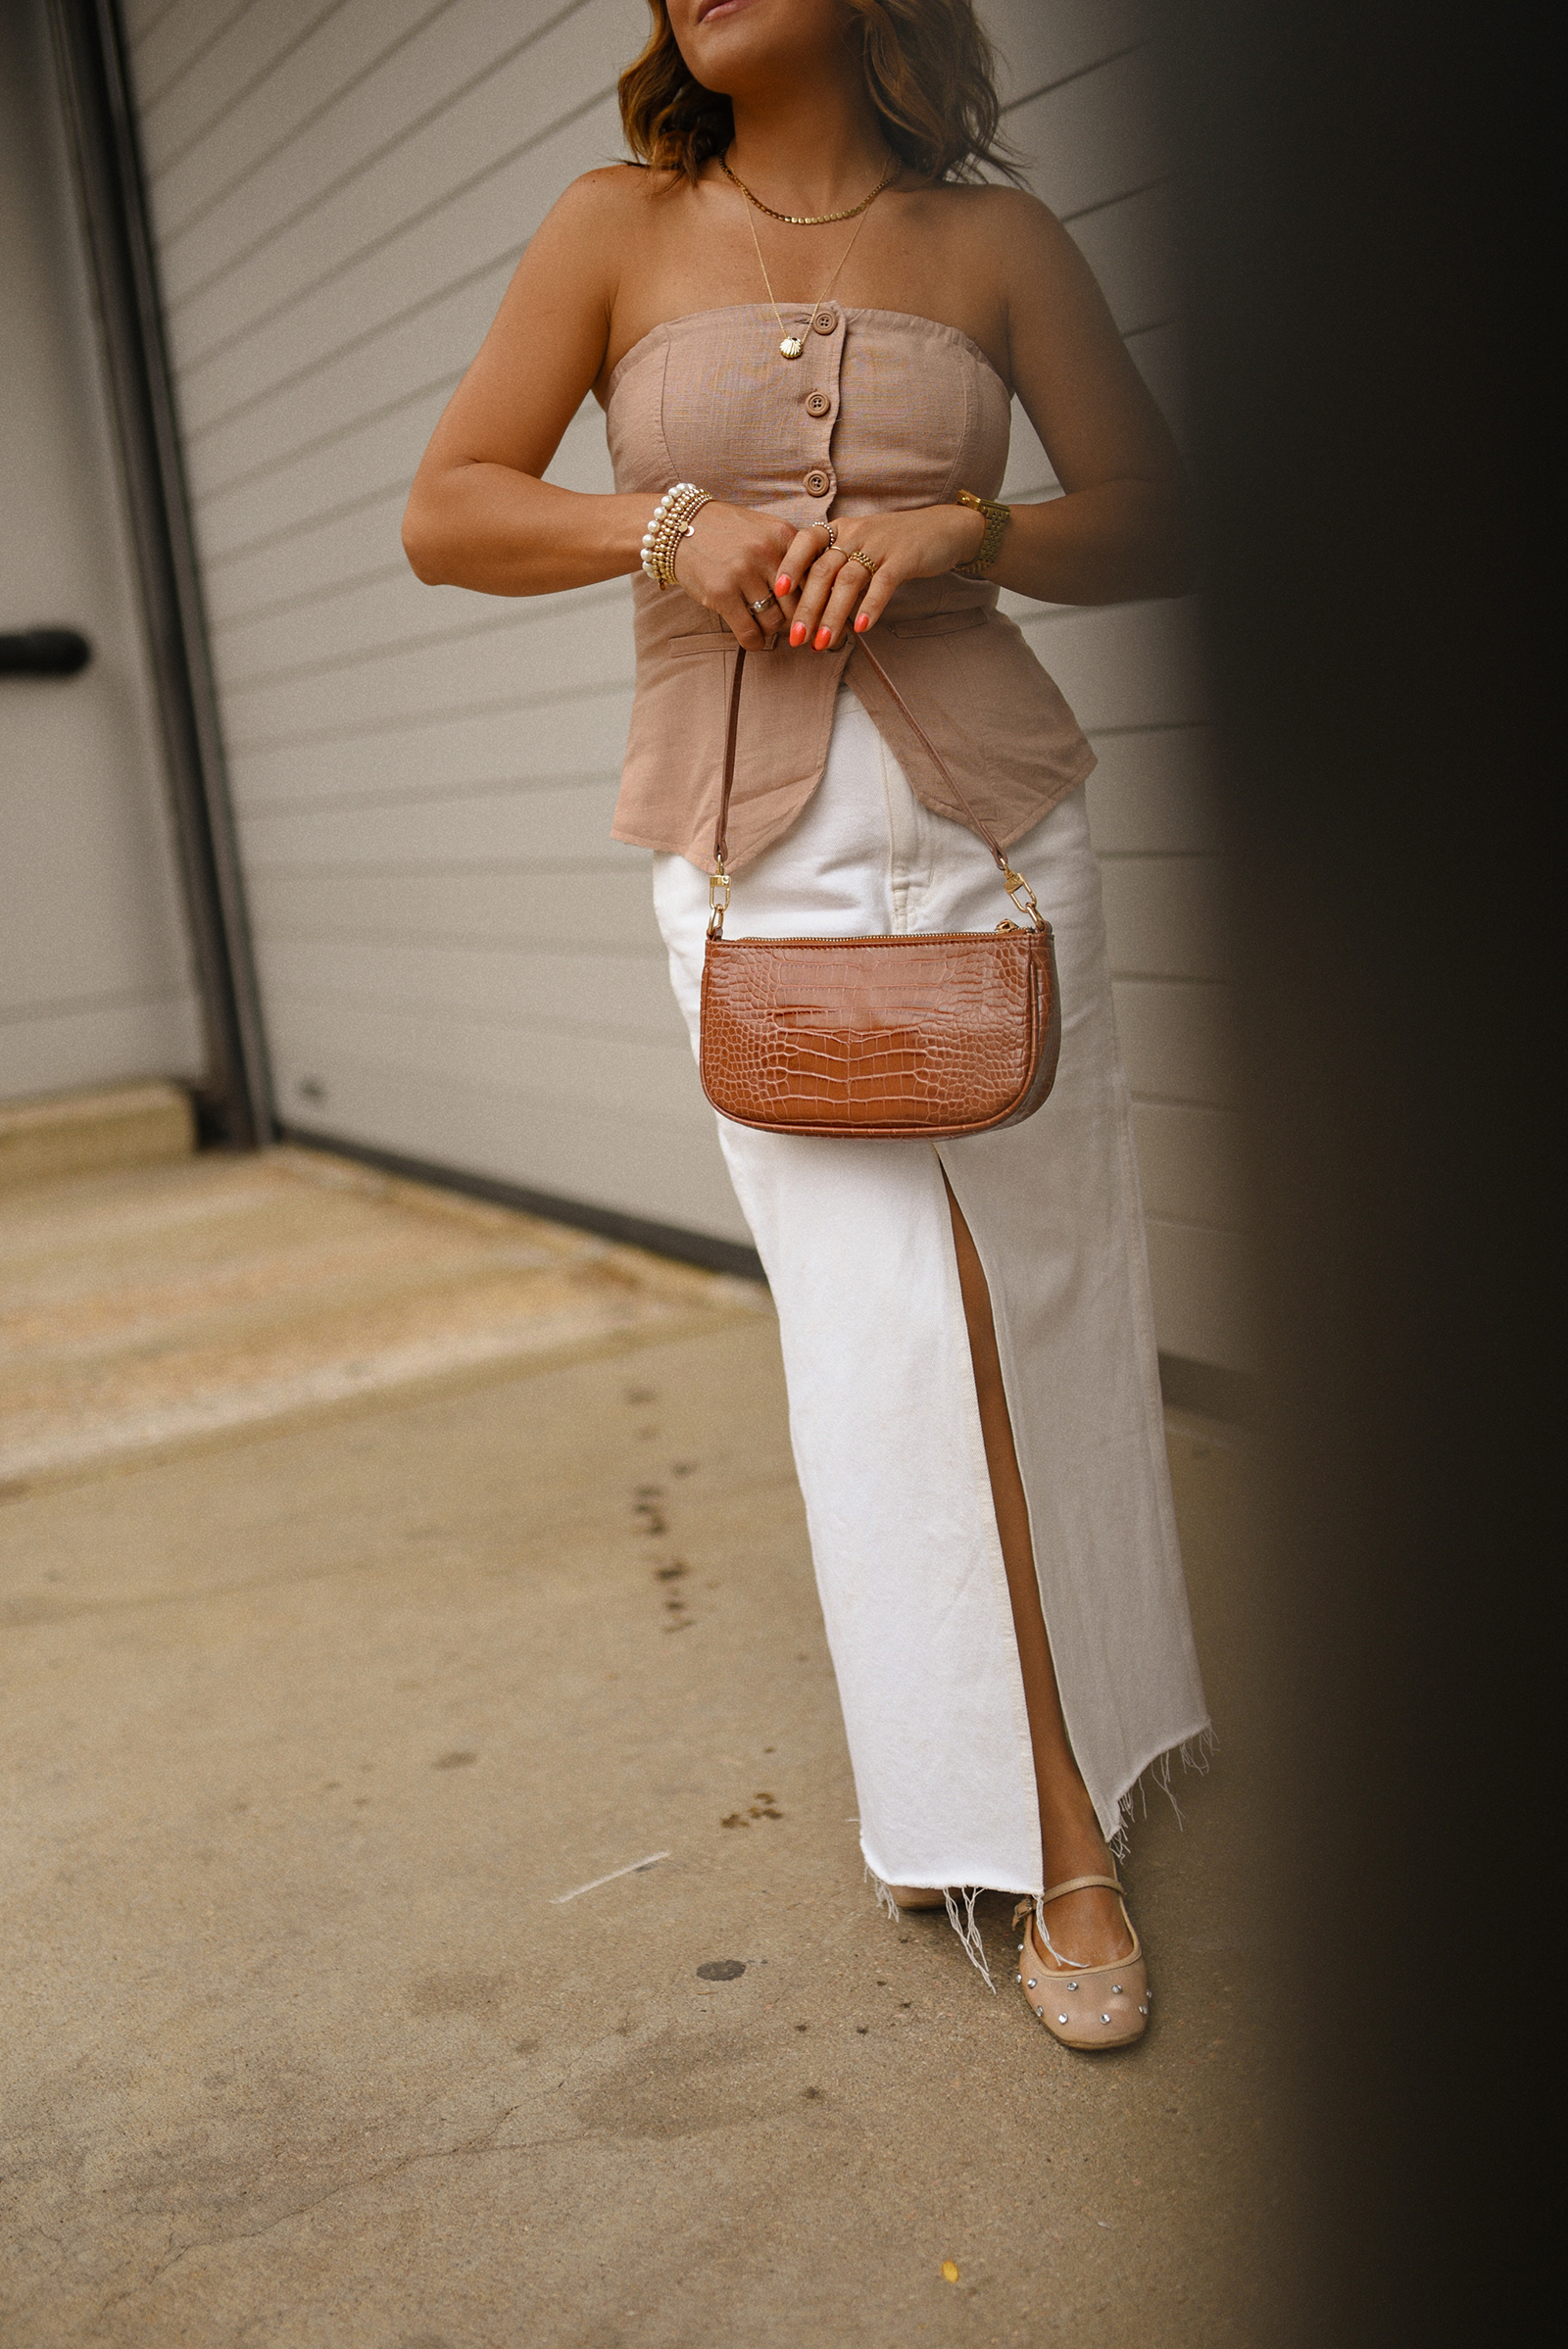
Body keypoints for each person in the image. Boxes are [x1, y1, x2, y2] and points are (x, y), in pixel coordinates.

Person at [403, 0, 1208, 2052]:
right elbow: (452, 506)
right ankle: (1029, 1833)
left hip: (996, 839)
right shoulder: (610, 224)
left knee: (1040, 1292)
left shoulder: (996, 241)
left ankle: (1101, 1743)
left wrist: (977, 532)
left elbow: (1158, 512)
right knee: (877, 1334)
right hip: (745, 869)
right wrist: (664, 527)